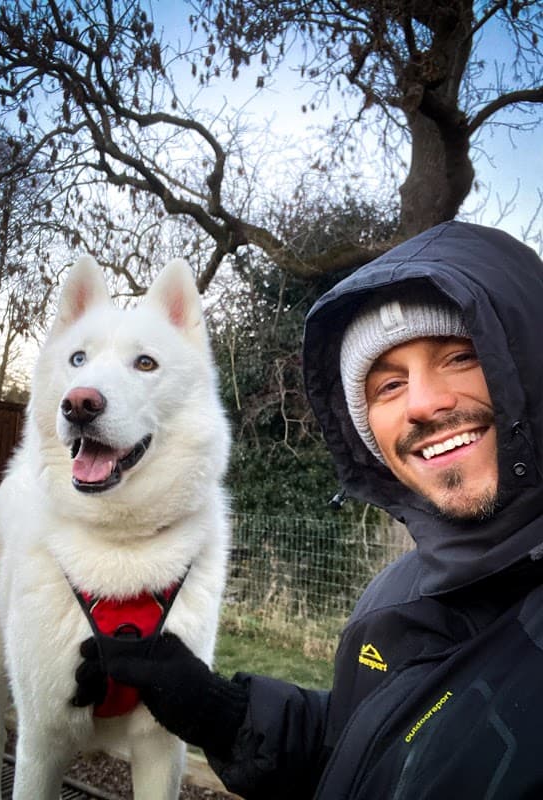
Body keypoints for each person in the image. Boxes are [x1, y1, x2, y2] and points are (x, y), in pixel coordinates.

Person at [74, 220, 543, 799]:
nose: (423, 404)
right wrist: (218, 710)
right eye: (388, 386)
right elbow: (363, 748)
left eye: (460, 357)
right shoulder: (393, 604)